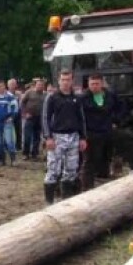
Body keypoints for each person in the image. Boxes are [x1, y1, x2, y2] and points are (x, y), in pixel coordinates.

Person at [42, 70, 87, 203]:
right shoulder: (52, 97)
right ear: (59, 81)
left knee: (71, 170)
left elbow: (81, 119)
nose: (65, 82)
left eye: (68, 80)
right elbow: (45, 118)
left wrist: (83, 137)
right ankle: (49, 202)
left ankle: (66, 200)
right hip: (57, 137)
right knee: (53, 169)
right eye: (63, 80)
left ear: (72, 81)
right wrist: (48, 137)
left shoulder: (77, 98)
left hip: (73, 137)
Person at [80, 74, 123, 191]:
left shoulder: (110, 95)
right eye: (92, 84)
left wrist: (116, 121)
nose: (94, 86)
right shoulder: (83, 98)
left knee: (106, 157)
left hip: (107, 132)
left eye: (96, 84)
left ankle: (103, 181)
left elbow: (120, 108)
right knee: (90, 160)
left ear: (102, 83)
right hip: (90, 133)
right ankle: (87, 187)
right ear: (88, 84)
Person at [0, 80, 19, 166]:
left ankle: (13, 159)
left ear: (4, 86)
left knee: (9, 141)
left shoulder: (10, 96)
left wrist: (11, 117)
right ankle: (1, 160)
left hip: (7, 122)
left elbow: (15, 108)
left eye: (1, 86)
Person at [20, 78, 46, 160]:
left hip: (40, 118)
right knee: (27, 136)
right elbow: (22, 102)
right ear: (35, 85)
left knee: (37, 137)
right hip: (29, 117)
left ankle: (35, 154)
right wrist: (24, 113)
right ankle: (25, 153)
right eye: (38, 85)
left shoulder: (45, 95)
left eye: (41, 85)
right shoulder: (29, 92)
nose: (40, 86)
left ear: (43, 87)